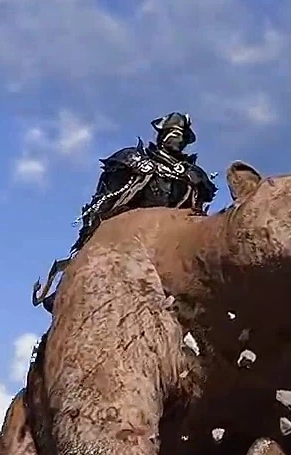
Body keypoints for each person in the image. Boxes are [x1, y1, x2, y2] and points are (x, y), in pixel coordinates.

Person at [32, 113, 217, 312]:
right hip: (128, 237)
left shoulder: (192, 177)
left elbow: (196, 216)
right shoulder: (133, 161)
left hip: (172, 244)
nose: (177, 139)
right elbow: (103, 205)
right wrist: (90, 241)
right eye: (172, 133)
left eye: (181, 135)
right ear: (162, 135)